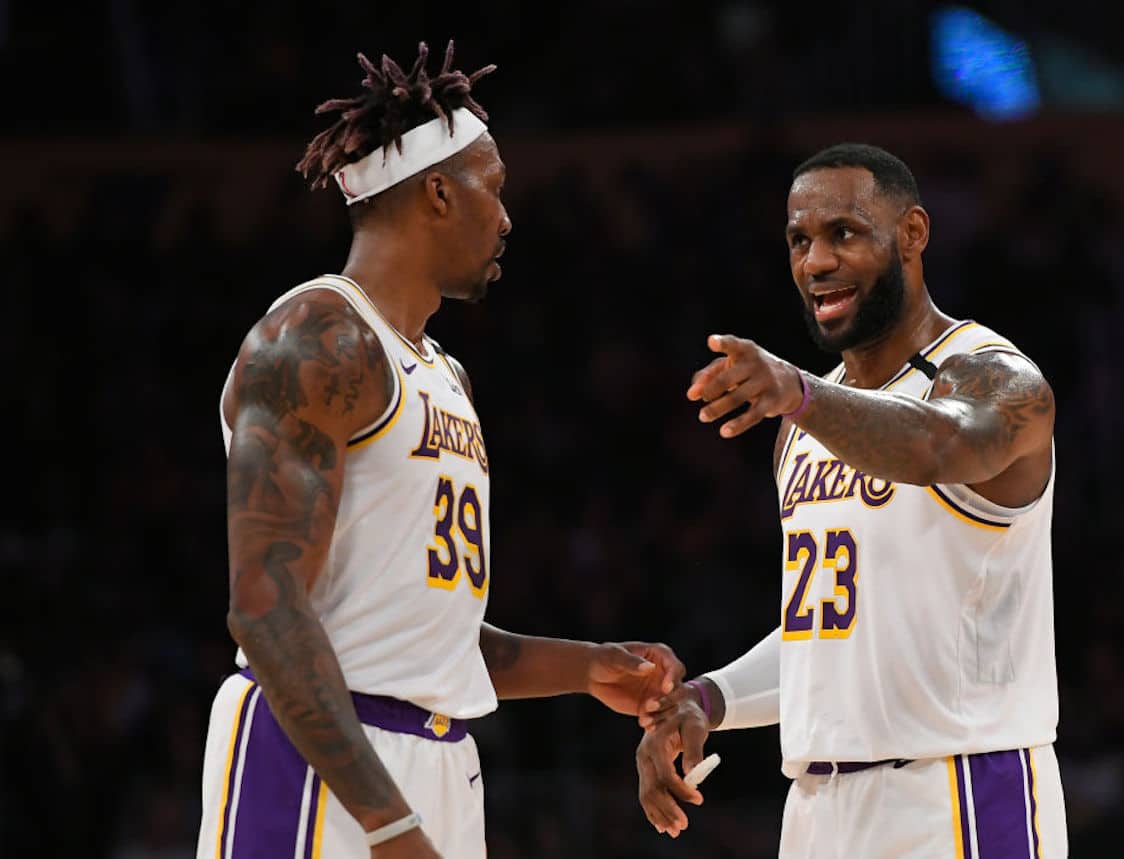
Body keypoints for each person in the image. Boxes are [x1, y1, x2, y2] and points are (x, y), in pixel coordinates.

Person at [197, 41, 684, 859]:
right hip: (320, 760)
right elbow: (266, 606)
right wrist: (388, 825)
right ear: (435, 193)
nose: (505, 216)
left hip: (437, 760)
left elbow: (430, 639)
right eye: (492, 189)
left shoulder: (442, 371)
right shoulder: (319, 336)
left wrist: (592, 665)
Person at [635, 143, 1068, 857]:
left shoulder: (998, 377)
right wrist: (705, 700)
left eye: (844, 233)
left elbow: (936, 446)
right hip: (817, 810)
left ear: (912, 235)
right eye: (799, 241)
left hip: (957, 795)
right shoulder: (803, 433)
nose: (816, 262)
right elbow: (825, 643)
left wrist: (801, 393)